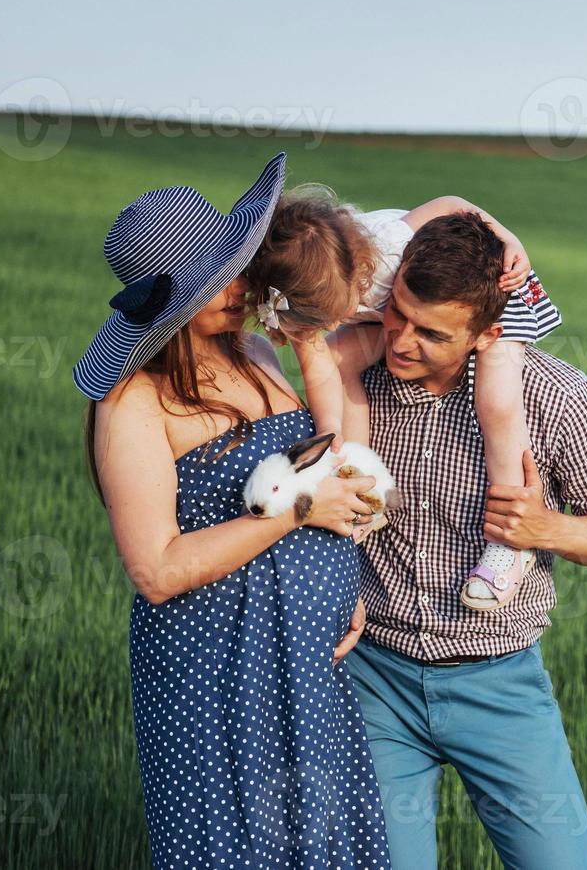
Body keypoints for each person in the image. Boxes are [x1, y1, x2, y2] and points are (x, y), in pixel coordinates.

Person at [74, 154, 391, 869]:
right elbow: (155, 571)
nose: (243, 285)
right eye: (220, 277)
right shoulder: (132, 405)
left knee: (324, 842)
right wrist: (296, 515)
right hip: (215, 666)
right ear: (176, 299)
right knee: (234, 846)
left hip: (306, 656)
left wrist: (345, 584)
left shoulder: (254, 352)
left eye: (236, 263)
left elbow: (318, 461)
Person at [331, 210, 587, 869]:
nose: (401, 342)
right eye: (398, 314)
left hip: (497, 684)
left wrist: (545, 530)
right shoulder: (356, 376)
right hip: (373, 681)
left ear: (489, 332)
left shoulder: (555, 397)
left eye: (432, 333)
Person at [243, 186, 560, 612]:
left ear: (359, 274)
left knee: (496, 398)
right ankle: (362, 482)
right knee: (338, 359)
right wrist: (331, 441)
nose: (337, 322)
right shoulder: (302, 290)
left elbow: (450, 203)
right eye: (327, 320)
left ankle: (508, 541)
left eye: (341, 311)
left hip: (493, 286)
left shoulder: (390, 243)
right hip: (416, 308)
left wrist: (508, 240)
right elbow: (320, 367)